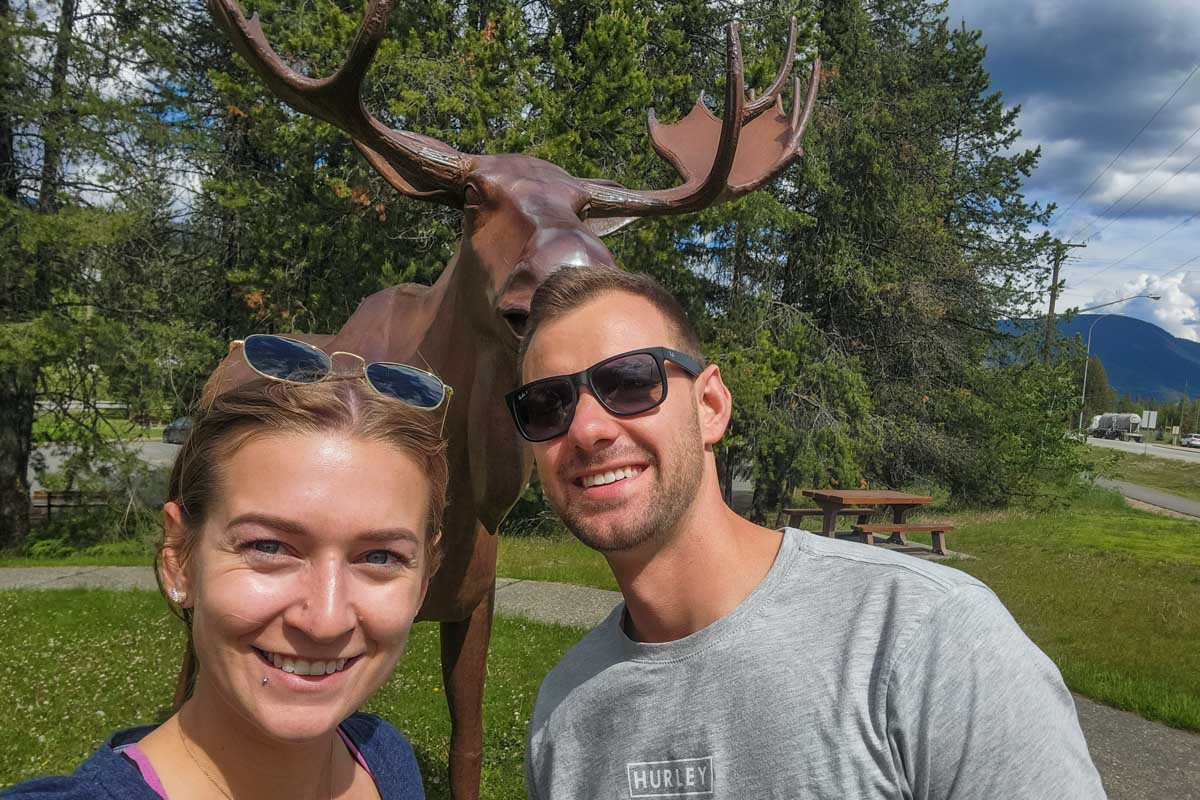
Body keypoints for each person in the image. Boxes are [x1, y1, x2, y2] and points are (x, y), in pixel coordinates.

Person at [510, 267, 1106, 799]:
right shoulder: (564, 714)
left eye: (629, 381)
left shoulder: (924, 638)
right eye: (546, 404)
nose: (587, 428)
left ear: (711, 405)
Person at [3, 334, 452, 799]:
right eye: (269, 547)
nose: (325, 621)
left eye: (380, 557)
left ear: (424, 581)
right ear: (180, 559)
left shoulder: (386, 760)